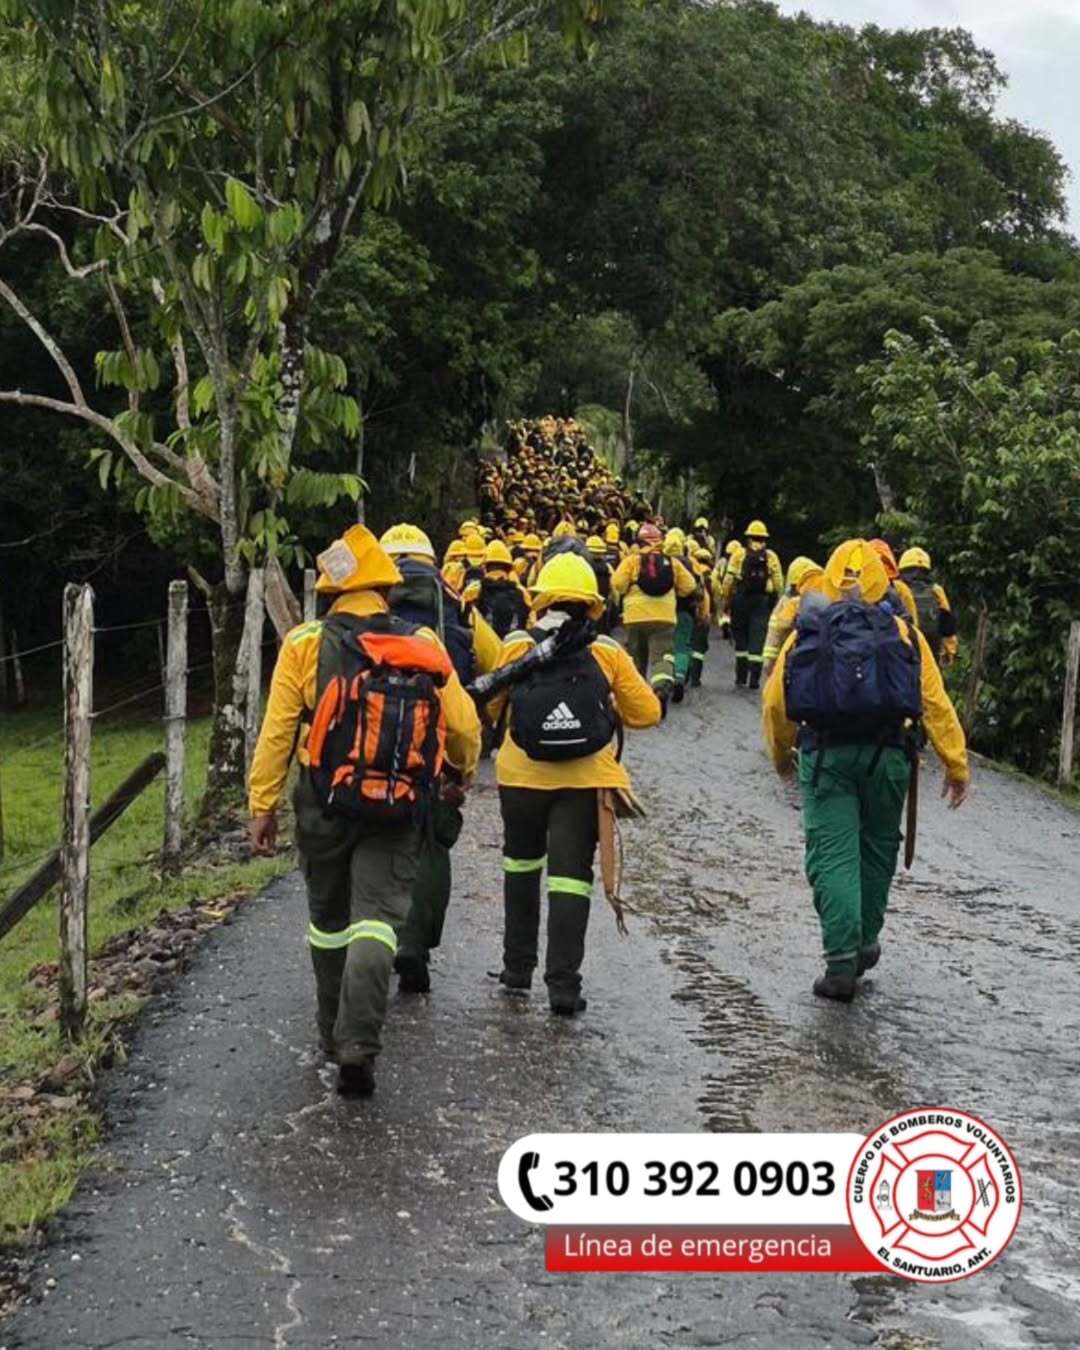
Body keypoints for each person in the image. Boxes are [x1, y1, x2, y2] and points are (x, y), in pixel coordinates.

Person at [248, 525, 481, 1095]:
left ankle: (331, 1033)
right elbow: (465, 727)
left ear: (331, 590)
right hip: (399, 806)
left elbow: (277, 733)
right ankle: (360, 1044)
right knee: (377, 921)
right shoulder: (421, 642)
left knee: (329, 924)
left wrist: (262, 805)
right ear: (385, 587)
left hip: (324, 803)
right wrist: (459, 771)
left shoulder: (305, 643)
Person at [761, 540, 970, 1002]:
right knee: (877, 851)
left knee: (832, 855)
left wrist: (781, 756)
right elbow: (934, 703)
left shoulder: (808, 631)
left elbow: (777, 704)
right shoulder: (905, 634)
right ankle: (863, 944)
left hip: (826, 758)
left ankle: (840, 964)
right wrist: (956, 765)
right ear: (883, 580)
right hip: (889, 758)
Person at [485, 553, 661, 1014]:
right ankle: (563, 987)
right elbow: (649, 713)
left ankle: (516, 971)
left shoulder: (519, 646)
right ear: (593, 602)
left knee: (521, 868)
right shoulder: (604, 651)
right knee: (570, 880)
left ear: (540, 598)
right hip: (585, 783)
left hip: (520, 777)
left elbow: (490, 706)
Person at [380, 523, 498, 995]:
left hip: (362, 745)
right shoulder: (456, 607)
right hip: (430, 746)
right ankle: (415, 945)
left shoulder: (365, 602)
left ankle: (362, 942)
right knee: (428, 844)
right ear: (431, 560)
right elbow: (493, 660)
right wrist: (464, 763)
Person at [611, 523, 697, 713]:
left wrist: (629, 591)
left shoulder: (632, 561)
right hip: (664, 617)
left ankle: (638, 702)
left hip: (635, 617)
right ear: (660, 542)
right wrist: (676, 594)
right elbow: (690, 586)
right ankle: (661, 689)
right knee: (663, 656)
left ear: (639, 541)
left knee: (636, 658)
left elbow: (617, 583)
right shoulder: (672, 563)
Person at [722, 520, 783, 689]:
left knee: (740, 636)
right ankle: (755, 679)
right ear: (764, 538)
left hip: (741, 599)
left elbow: (728, 579)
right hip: (762, 601)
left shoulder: (739, 554)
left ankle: (740, 677)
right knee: (758, 636)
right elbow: (778, 582)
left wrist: (726, 599)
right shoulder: (771, 556)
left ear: (748, 537)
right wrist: (777, 600)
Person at [761, 557, 825, 680]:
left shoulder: (787, 603)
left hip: (790, 663)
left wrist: (769, 664)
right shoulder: (826, 600)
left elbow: (775, 634)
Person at [898, 547, 959, 667]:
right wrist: (950, 651)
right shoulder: (936, 590)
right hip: (931, 650)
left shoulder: (898, 588)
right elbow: (947, 623)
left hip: (903, 650)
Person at [465, 540, 530, 639]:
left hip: (481, 648)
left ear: (485, 567)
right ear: (509, 568)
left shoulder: (472, 590)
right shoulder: (522, 592)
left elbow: (464, 622)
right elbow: (530, 623)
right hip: (513, 648)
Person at [689, 544, 715, 688]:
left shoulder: (691, 571)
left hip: (689, 612)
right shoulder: (708, 575)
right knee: (699, 648)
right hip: (703, 614)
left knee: (688, 643)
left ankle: (684, 674)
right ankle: (695, 677)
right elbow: (712, 594)